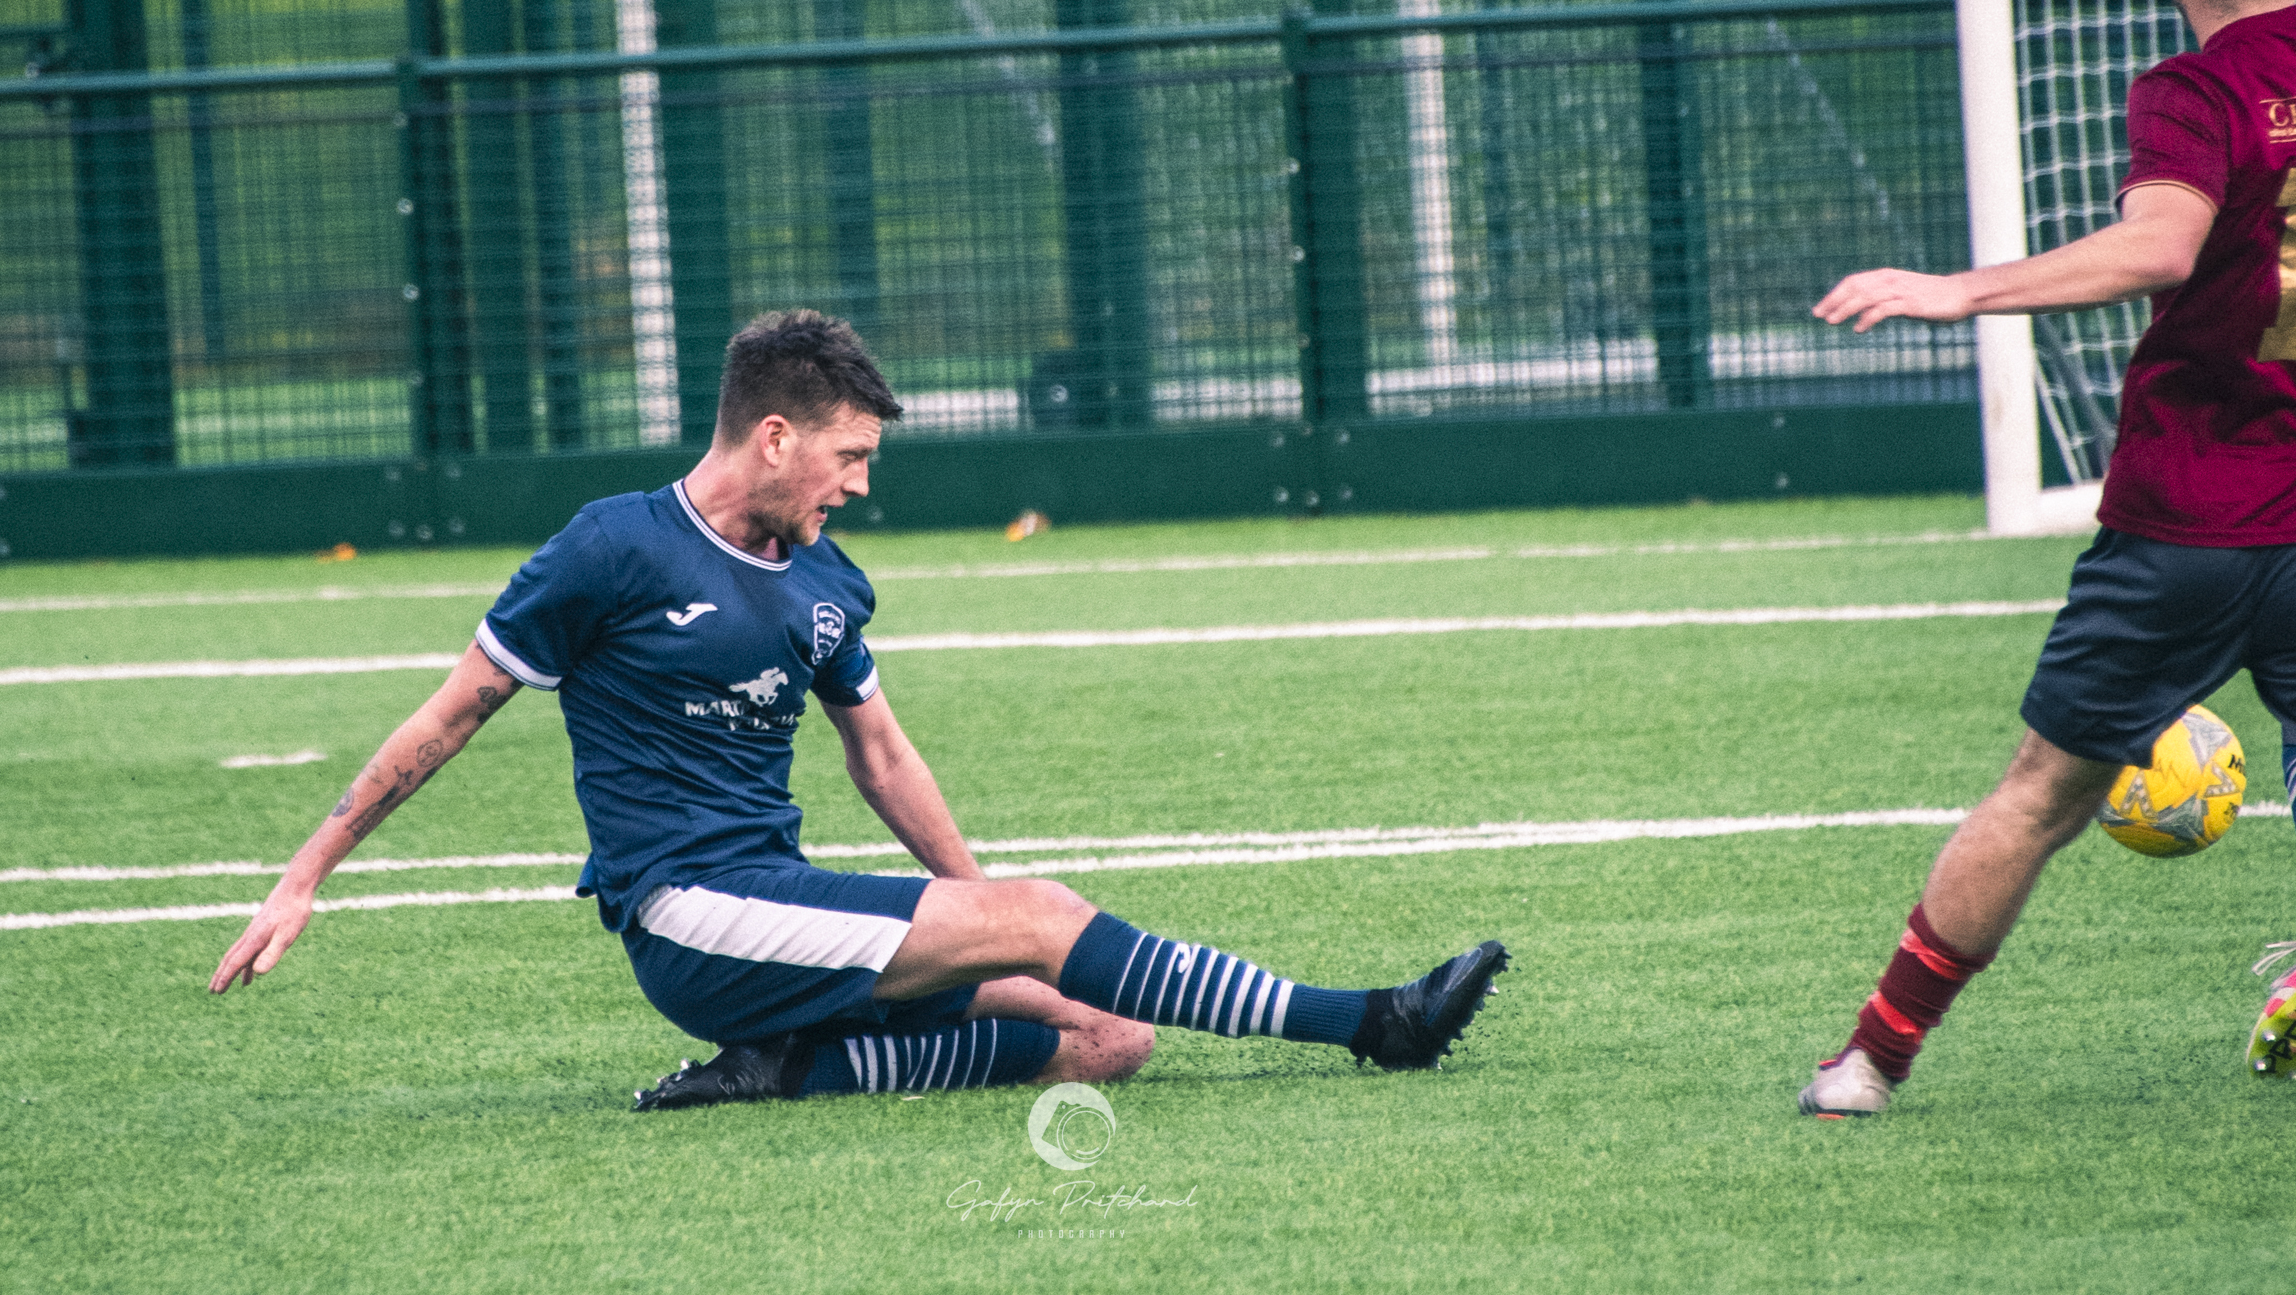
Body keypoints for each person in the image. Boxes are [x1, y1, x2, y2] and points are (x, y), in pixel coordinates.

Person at [212, 309, 1506, 1108]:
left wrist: (989, 925)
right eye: (850, 456)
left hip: (785, 901)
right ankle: (1373, 1025)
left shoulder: (825, 577)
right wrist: (303, 875)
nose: (859, 485)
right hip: (690, 912)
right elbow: (454, 711)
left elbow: (880, 755)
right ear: (775, 436)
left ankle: (794, 1066)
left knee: (1109, 1037)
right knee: (1046, 918)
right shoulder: (611, 547)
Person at [1799, 0, 2296, 1116]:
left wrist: (1958, 289)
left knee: (2038, 797)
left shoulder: (2189, 91)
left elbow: (2159, 246)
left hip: (2187, 519)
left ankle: (1869, 1062)